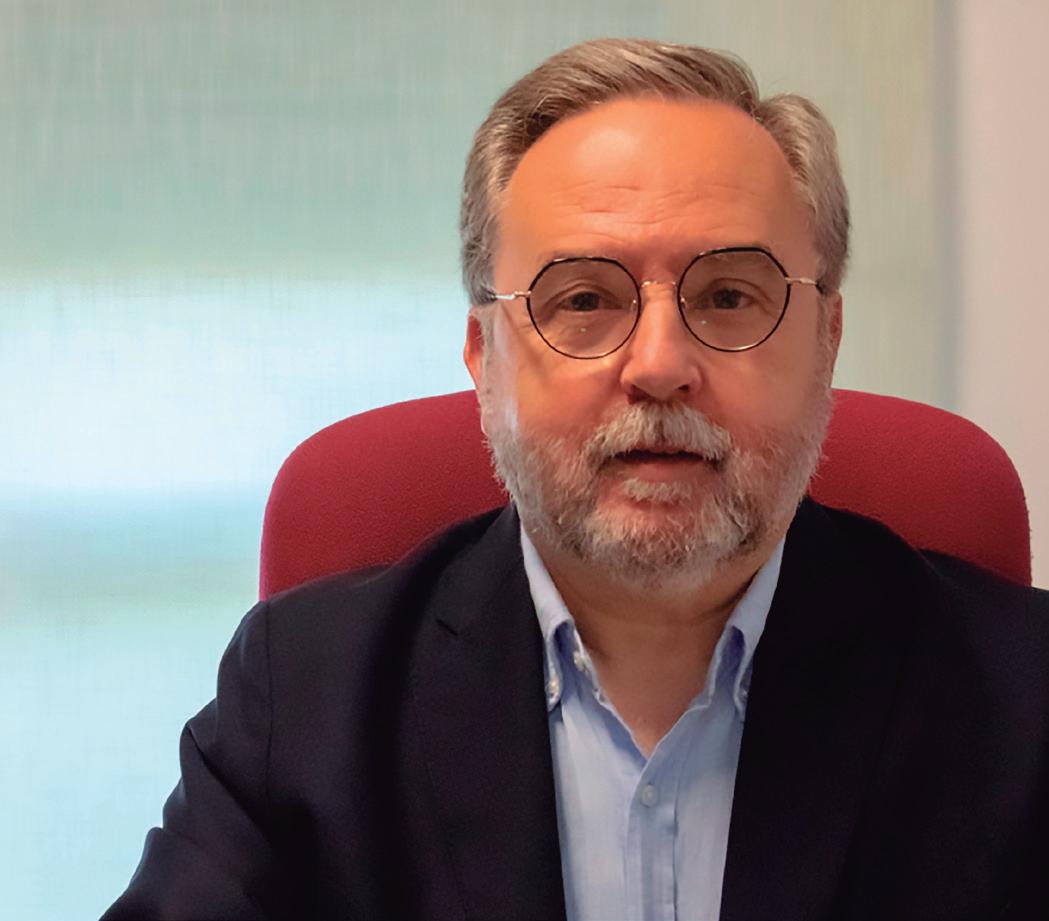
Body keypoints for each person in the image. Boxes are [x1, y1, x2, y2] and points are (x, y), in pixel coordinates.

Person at [105, 38, 1048, 921]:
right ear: (484, 359)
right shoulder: (305, 698)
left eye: (728, 295)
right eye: (584, 299)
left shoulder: (1021, 703)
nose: (659, 364)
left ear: (825, 343)